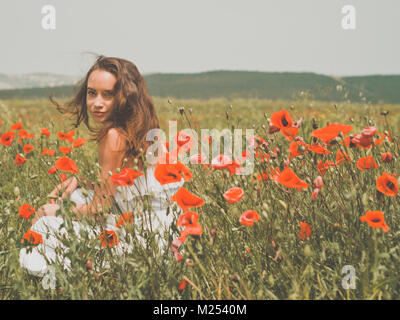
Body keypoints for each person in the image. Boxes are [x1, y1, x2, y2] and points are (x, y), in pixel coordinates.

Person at [19, 56, 185, 277]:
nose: (97, 103)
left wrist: (52, 211)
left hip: (146, 242)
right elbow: (125, 187)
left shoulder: (114, 136)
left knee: (45, 224)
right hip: (172, 236)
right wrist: (83, 182)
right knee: (76, 196)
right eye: (91, 93)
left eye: (108, 94)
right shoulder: (140, 127)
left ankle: (83, 274)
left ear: (125, 97)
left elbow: (99, 210)